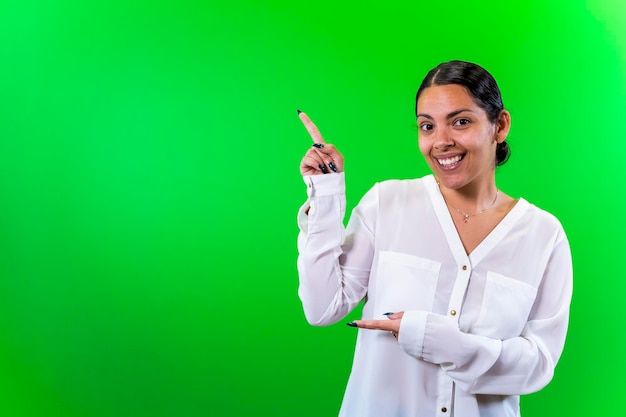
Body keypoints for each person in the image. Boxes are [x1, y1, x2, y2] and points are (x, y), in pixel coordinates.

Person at [296, 60, 572, 417]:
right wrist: (326, 195)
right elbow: (323, 307)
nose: (441, 142)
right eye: (427, 126)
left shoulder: (543, 235)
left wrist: (447, 344)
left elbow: (538, 364)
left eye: (460, 122)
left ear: (499, 126)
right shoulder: (387, 203)